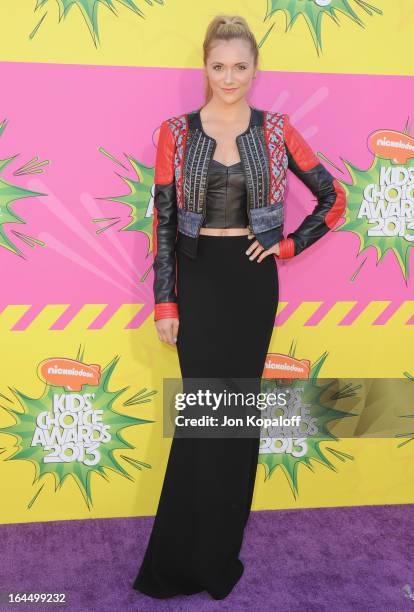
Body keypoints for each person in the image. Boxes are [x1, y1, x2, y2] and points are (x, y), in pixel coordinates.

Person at [133, 13, 346, 601]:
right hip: (196, 287)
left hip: (252, 286)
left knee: (236, 418)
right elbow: (165, 223)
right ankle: (178, 560)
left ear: (255, 69)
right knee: (204, 417)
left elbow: (333, 199)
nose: (230, 77)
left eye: (241, 66)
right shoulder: (174, 132)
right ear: (205, 66)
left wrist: (287, 243)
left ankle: (219, 555)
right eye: (218, 66)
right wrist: (165, 302)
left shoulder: (277, 130)